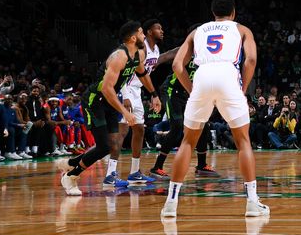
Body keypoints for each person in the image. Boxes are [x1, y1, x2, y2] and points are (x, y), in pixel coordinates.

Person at [161, 0, 268, 218]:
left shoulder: (197, 31)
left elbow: (178, 65)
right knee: (243, 141)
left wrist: (192, 89)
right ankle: (252, 202)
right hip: (228, 74)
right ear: (233, 12)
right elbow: (251, 60)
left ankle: (170, 203)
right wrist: (243, 87)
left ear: (212, 14)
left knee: (187, 141)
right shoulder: (241, 29)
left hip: (203, 75)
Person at [55, 21, 143, 195]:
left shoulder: (136, 55)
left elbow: (142, 74)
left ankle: (72, 163)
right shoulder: (120, 56)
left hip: (109, 102)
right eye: (141, 33)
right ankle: (71, 175)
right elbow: (105, 88)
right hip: (95, 100)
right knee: (103, 147)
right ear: (133, 37)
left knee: (110, 145)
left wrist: (154, 94)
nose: (144, 36)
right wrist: (125, 111)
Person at [150, 24, 219, 180]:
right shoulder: (187, 48)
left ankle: (201, 165)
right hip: (172, 91)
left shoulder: (209, 53)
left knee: (203, 125)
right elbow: (170, 55)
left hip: (191, 93)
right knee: (177, 127)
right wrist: (157, 61)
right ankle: (157, 167)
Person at [109, 19, 163, 184]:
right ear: (148, 32)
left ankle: (134, 172)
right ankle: (110, 174)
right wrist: (124, 94)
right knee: (122, 131)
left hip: (137, 90)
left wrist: (153, 94)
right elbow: (125, 70)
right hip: (125, 88)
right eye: (158, 28)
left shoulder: (156, 50)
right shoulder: (141, 47)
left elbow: (144, 75)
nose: (162, 30)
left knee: (139, 130)